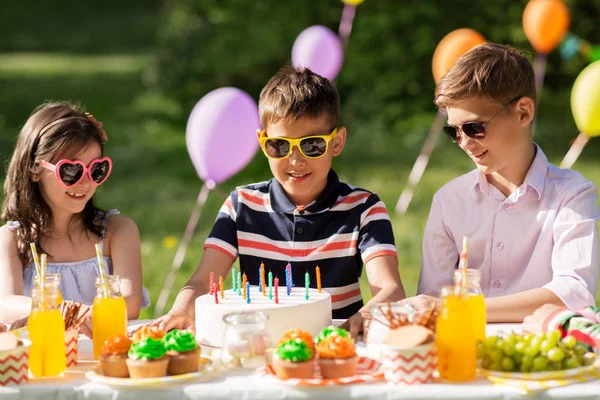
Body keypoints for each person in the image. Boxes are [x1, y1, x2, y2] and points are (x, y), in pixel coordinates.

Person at [154, 66, 406, 338]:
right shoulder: (241, 205)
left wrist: (366, 315)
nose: (295, 160)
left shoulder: (363, 208)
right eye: (280, 145)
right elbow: (203, 281)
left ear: (337, 142)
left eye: (312, 145)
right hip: (257, 344)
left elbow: (390, 288)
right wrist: (180, 310)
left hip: (336, 346)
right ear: (263, 142)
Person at [408, 43, 599, 321]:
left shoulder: (573, 195)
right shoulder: (449, 200)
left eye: (475, 128)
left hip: (540, 356)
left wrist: (464, 309)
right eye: (454, 132)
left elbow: (576, 291)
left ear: (523, 112)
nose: (465, 143)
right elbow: (433, 300)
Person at [0, 101, 149, 335]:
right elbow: (6, 302)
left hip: (103, 357)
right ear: (34, 169)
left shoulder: (117, 231)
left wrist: (54, 314)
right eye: (71, 171)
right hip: (48, 360)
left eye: (96, 169)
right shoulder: (13, 238)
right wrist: (66, 311)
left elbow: (129, 303)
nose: (86, 182)